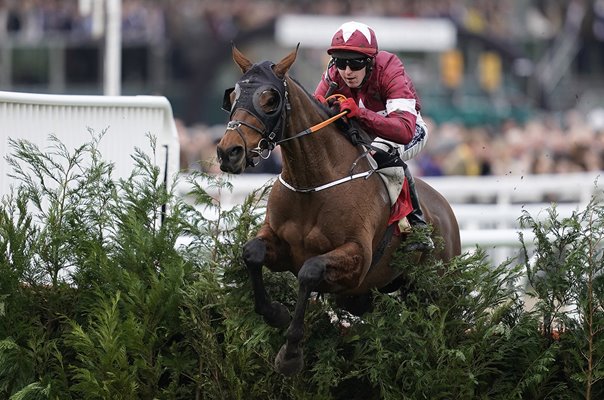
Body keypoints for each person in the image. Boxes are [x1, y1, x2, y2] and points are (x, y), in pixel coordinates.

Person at [314, 21, 434, 253]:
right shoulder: (333, 73)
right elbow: (314, 110)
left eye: (355, 63)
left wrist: (361, 114)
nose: (347, 71)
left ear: (370, 62)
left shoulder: (390, 68)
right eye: (340, 62)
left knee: (377, 152)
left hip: (407, 130)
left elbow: (403, 130)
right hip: (366, 131)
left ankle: (419, 226)